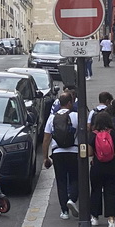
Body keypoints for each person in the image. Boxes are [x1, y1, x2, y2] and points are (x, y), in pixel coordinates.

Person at [42, 91, 79, 220]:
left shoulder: (52, 118)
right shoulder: (76, 116)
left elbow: (46, 139)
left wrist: (46, 157)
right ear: (69, 103)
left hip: (57, 153)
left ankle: (64, 211)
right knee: (75, 178)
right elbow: (85, 132)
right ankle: (72, 199)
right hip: (74, 152)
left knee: (61, 181)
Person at [89, 109, 115, 227]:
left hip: (97, 166)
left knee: (96, 190)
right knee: (112, 191)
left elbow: (89, 152)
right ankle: (111, 219)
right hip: (112, 165)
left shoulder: (93, 134)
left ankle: (95, 217)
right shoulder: (113, 133)